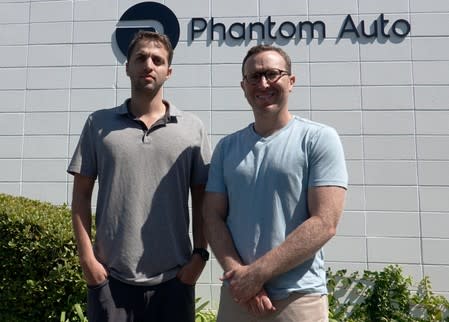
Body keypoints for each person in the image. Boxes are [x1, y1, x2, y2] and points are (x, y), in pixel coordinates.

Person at [68, 31, 211, 322]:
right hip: (111, 279)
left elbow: (203, 198)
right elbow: (81, 194)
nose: (149, 64)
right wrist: (87, 260)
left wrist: (200, 256)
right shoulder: (98, 124)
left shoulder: (192, 128)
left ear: (168, 72)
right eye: (141, 58)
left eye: (157, 60)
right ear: (127, 67)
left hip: (174, 280)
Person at [203, 45, 348, 322]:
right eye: (254, 77)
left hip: (298, 297)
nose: (263, 83)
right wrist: (240, 278)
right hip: (238, 297)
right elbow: (212, 216)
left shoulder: (318, 139)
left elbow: (324, 222)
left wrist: (257, 275)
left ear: (291, 82)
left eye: (273, 74)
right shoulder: (226, 148)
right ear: (244, 86)